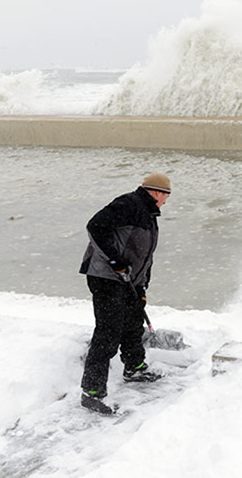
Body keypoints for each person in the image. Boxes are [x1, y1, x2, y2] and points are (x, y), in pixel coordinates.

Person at [79, 172, 171, 414]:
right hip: (106, 278)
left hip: (128, 280)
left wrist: (141, 286)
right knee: (108, 331)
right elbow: (95, 226)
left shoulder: (148, 214)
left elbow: (144, 255)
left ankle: (134, 367)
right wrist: (114, 261)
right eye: (166, 196)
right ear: (156, 192)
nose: (166, 201)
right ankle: (93, 391)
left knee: (132, 320)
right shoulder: (129, 204)